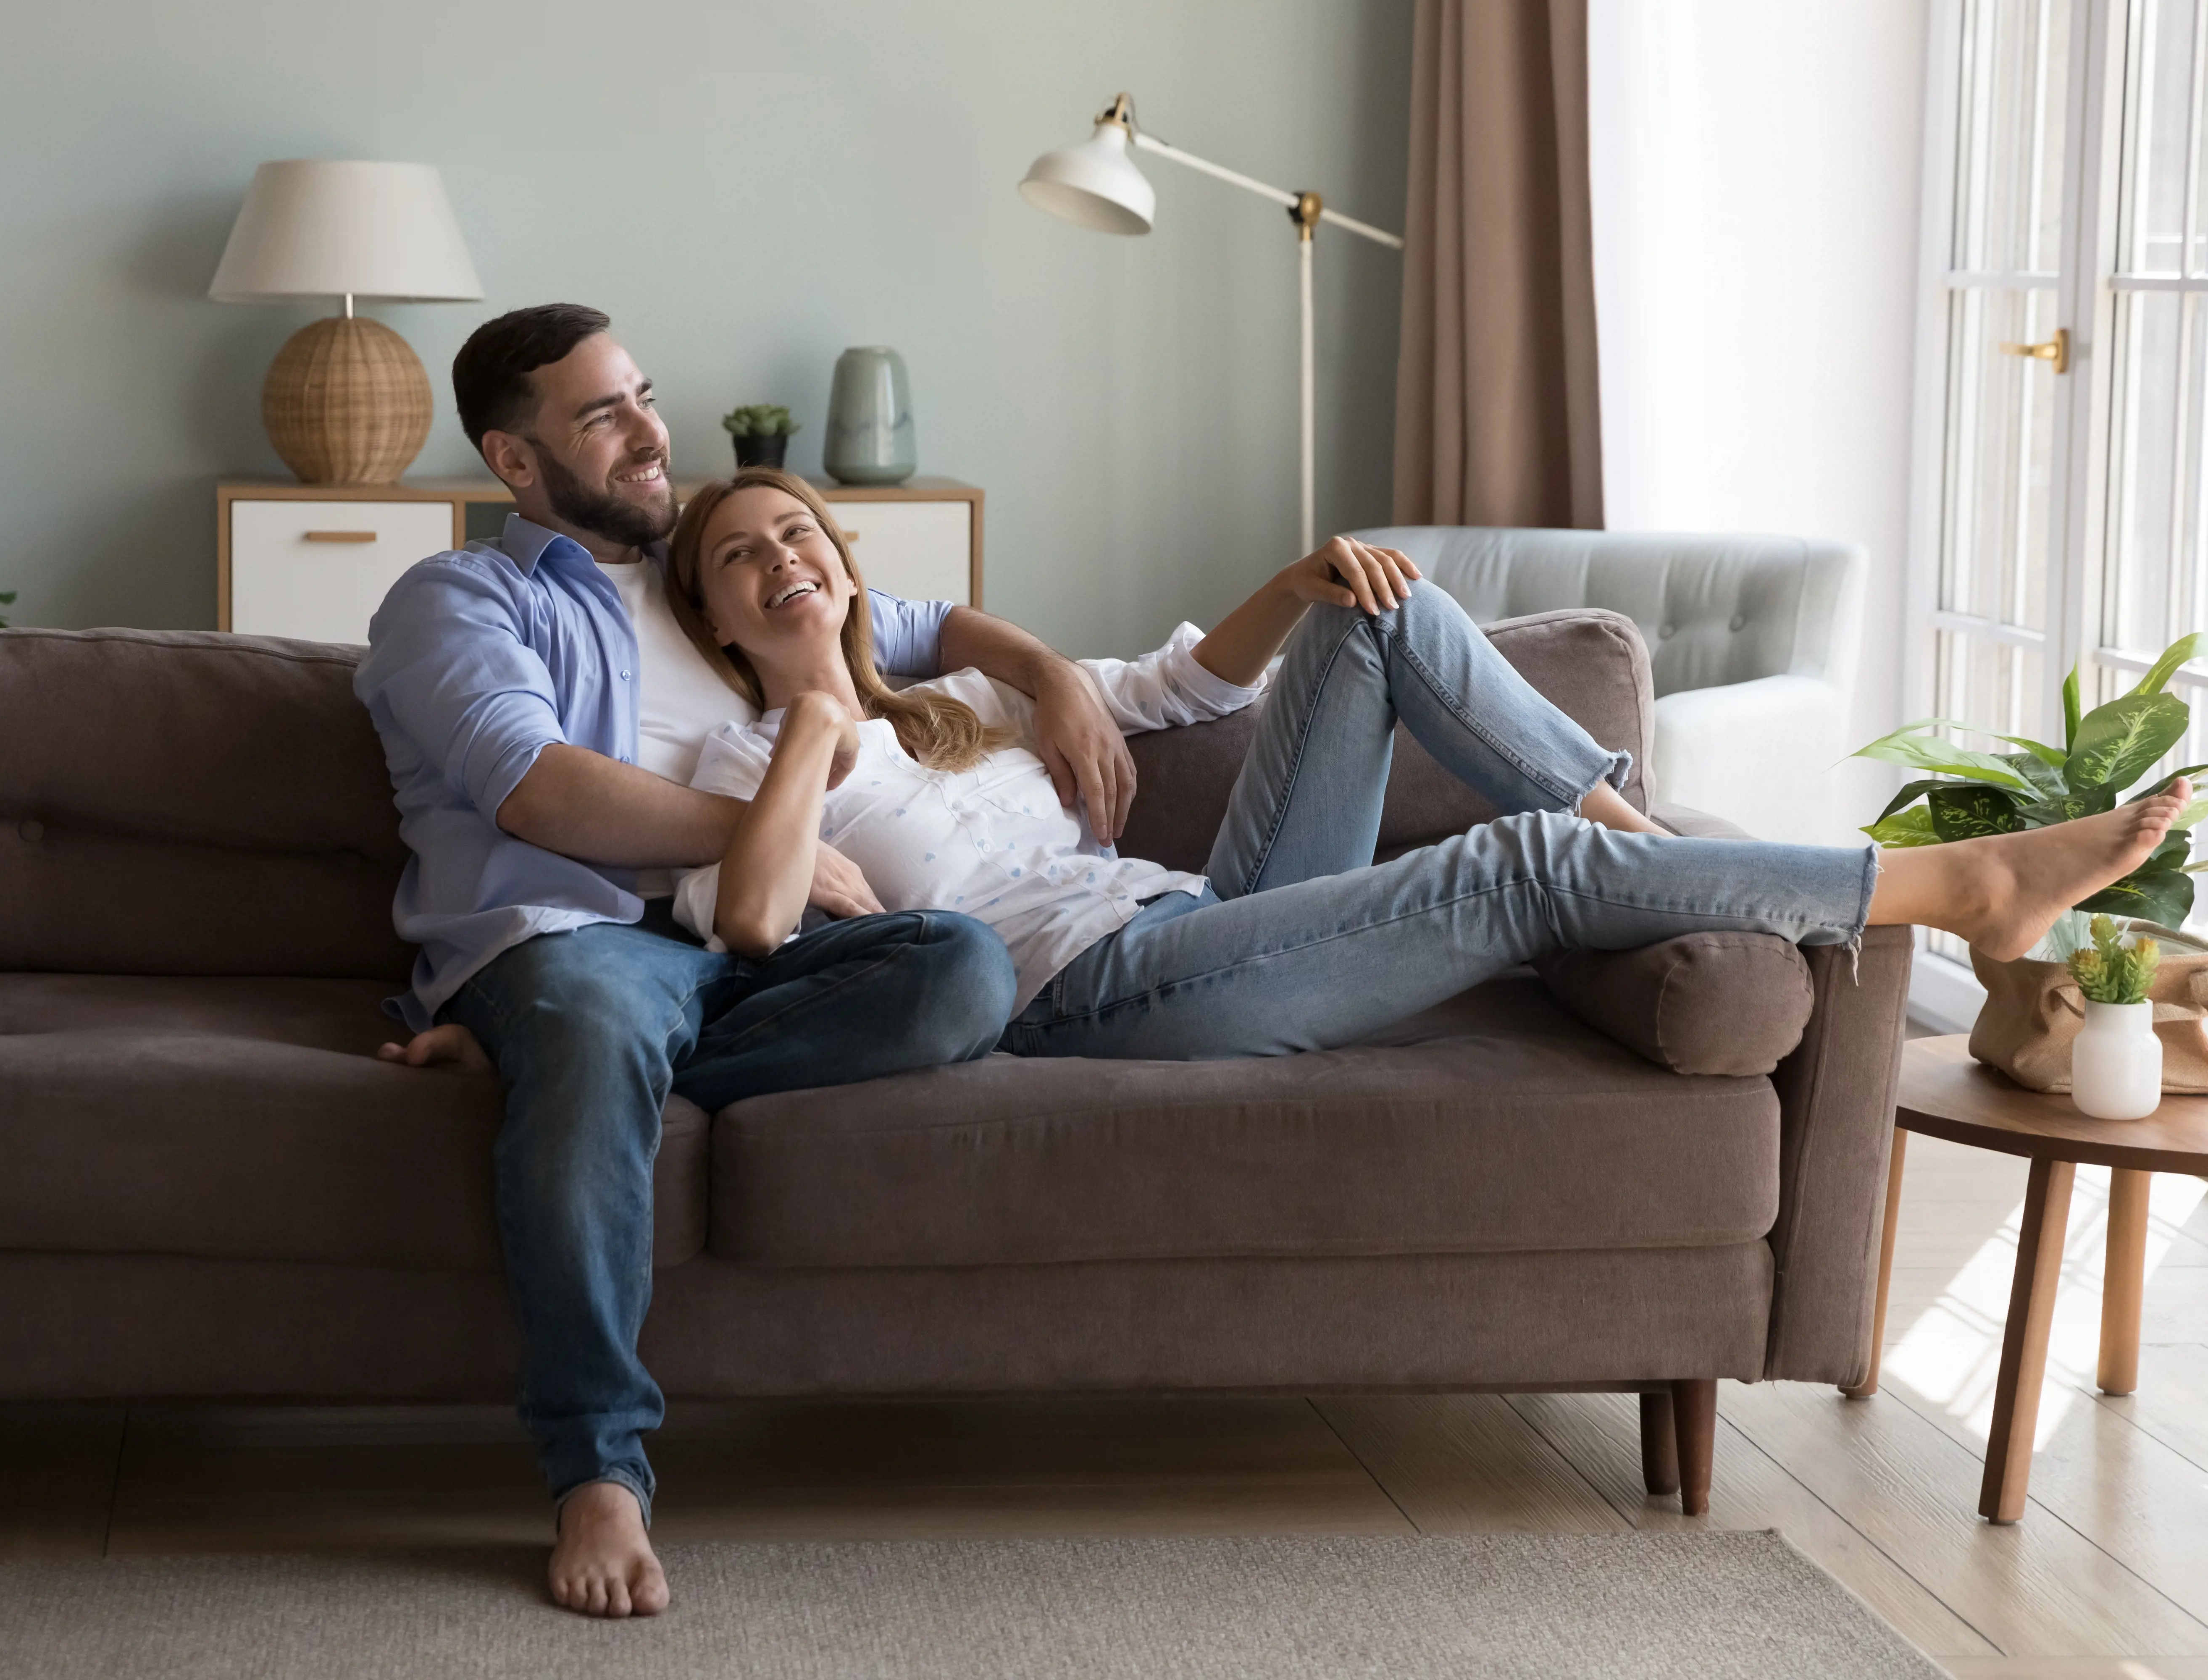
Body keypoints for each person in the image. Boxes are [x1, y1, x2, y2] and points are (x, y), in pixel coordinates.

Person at [352, 306, 1130, 1620]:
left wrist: (1051, 672)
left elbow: (913, 621)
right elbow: (537, 791)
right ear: (515, 461)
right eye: (601, 416)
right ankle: (596, 1466)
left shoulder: (695, 574)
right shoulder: (458, 600)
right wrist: (767, 831)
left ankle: (545, 1069)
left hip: (737, 949)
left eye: (643, 398)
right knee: (594, 1017)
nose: (651, 432)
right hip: (579, 940)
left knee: (957, 969)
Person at [644, 467, 2189, 1058]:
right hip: (1095, 997)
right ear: (713, 618)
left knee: (1381, 609)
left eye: (796, 530)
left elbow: (1183, 684)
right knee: (1523, 869)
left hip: (1192, 912)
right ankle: (1955, 885)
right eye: (734, 557)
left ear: (844, 561)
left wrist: (1297, 580)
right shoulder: (734, 751)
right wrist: (813, 730)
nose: (777, 555)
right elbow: (755, 918)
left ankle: (1615, 824)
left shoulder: (966, 695)